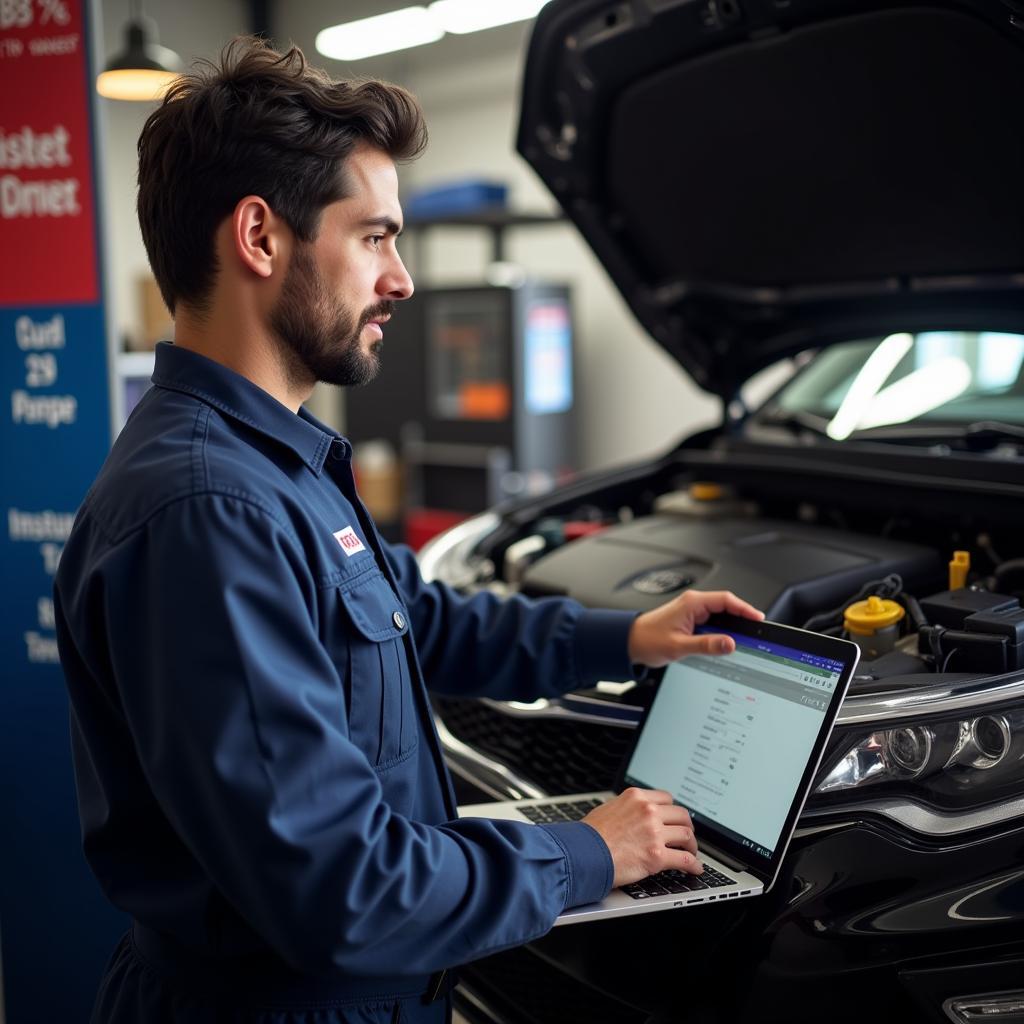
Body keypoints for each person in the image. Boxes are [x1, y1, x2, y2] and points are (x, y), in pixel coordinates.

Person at [54, 38, 764, 1024]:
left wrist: (625, 638)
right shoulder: (210, 514)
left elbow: (407, 619)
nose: (403, 281)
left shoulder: (273, 463)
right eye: (377, 237)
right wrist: (588, 849)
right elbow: (340, 888)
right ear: (260, 237)